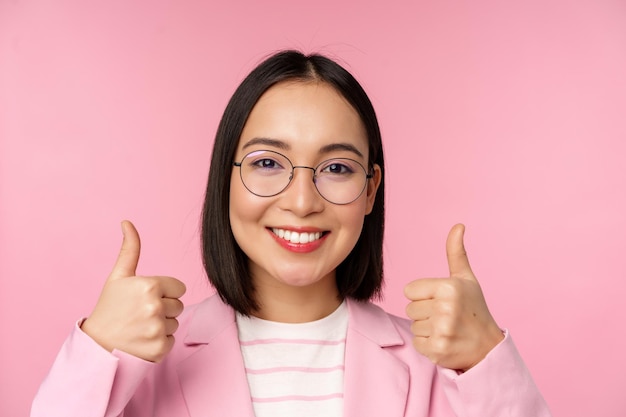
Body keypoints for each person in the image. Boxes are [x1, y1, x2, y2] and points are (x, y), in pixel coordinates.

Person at [32, 50, 551, 417]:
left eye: (338, 169)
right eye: (266, 162)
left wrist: (487, 358)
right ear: (225, 179)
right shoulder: (141, 364)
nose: (301, 202)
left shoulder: (442, 367)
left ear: (371, 191)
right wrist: (97, 351)